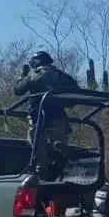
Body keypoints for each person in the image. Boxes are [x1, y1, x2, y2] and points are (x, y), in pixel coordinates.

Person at [13, 50, 79, 178]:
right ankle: (62, 168)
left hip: (38, 117)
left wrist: (22, 76)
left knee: (37, 146)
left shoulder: (35, 75)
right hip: (58, 117)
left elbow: (18, 90)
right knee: (60, 144)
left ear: (36, 62)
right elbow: (76, 93)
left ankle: (42, 171)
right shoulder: (62, 76)